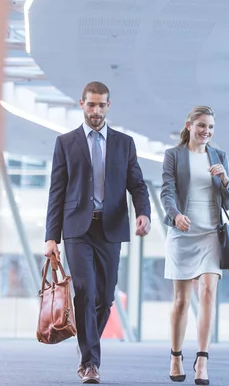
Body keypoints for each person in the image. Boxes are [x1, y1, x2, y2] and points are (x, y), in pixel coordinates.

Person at [44, 81, 151, 384]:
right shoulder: (65, 143)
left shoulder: (124, 143)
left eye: (101, 104)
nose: (95, 110)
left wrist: (143, 213)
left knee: (105, 296)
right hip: (77, 228)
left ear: (108, 106)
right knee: (86, 290)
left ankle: (86, 348)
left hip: (111, 228)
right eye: (90, 104)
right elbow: (57, 192)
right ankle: (90, 362)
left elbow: (137, 184)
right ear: (81, 104)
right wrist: (51, 236)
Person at [160, 106, 229, 386]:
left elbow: (228, 202)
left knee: (208, 292)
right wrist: (175, 215)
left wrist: (225, 180)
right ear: (189, 125)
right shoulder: (174, 156)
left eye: (211, 127)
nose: (206, 131)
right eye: (201, 125)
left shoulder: (219, 156)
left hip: (210, 234)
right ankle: (176, 356)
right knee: (180, 301)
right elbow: (167, 190)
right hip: (183, 231)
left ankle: (202, 360)